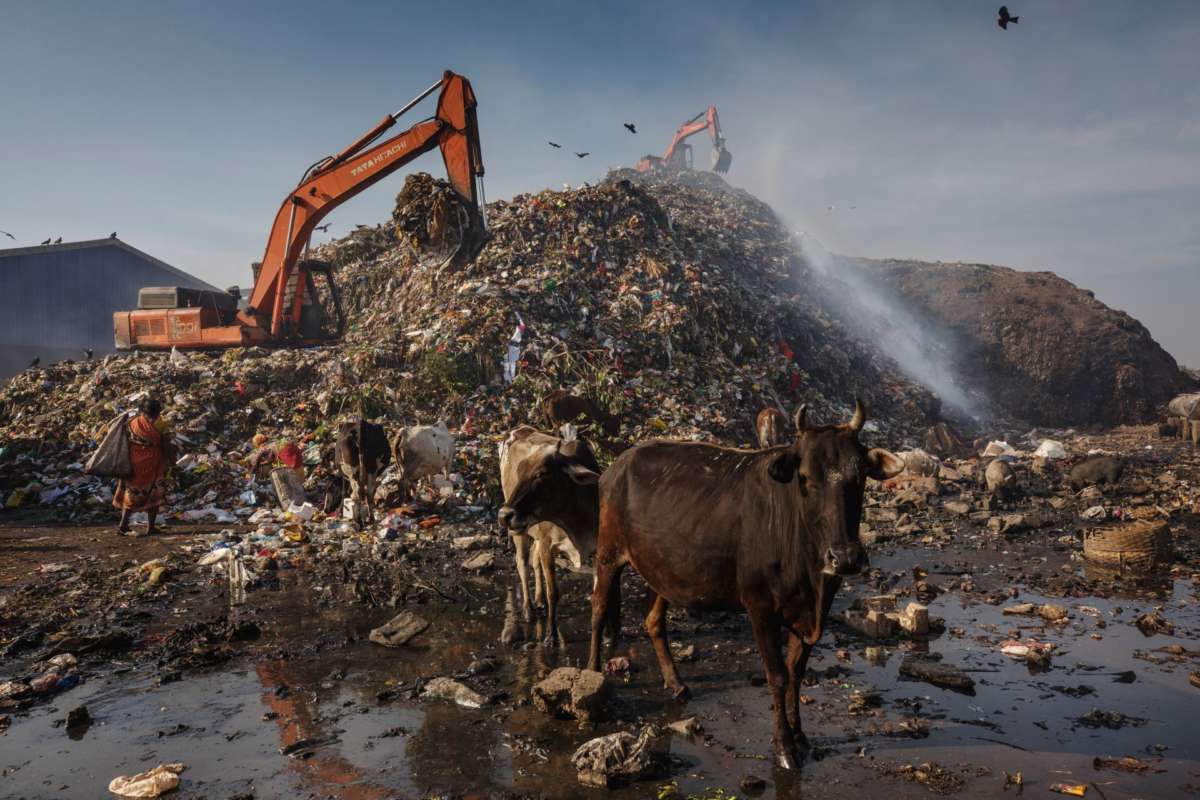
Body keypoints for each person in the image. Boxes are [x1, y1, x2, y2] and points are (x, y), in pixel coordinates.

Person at [114, 397, 171, 535]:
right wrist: (171, 461)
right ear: (158, 411)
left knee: (131, 492)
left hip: (134, 462)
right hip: (154, 463)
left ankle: (123, 525)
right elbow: (166, 445)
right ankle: (150, 527)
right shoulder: (161, 425)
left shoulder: (132, 422)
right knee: (154, 493)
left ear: (142, 410)